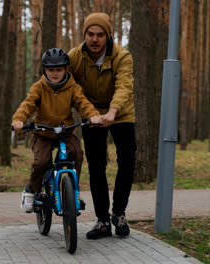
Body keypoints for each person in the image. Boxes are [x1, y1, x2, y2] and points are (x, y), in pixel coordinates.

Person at [67, 12, 136, 239]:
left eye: (100, 35)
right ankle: (103, 221)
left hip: (121, 112)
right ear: (84, 34)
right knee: (96, 166)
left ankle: (119, 214)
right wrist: (91, 113)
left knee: (127, 161)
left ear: (108, 36)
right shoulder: (74, 57)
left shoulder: (122, 56)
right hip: (92, 114)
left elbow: (124, 86)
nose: (94, 39)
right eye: (90, 34)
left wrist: (113, 111)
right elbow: (66, 87)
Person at [12, 48, 102, 213]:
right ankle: (32, 190)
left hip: (64, 132)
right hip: (43, 133)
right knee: (41, 162)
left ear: (65, 69)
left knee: (77, 153)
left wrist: (94, 116)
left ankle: (74, 191)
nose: (55, 73)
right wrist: (19, 120)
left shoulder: (72, 87)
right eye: (51, 70)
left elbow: (83, 104)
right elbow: (28, 104)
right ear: (45, 70)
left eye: (59, 69)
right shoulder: (39, 87)